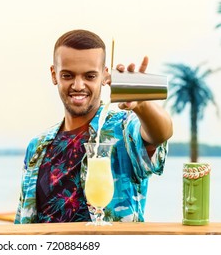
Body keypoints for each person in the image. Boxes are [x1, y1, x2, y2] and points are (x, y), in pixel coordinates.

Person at [14, 29, 173, 224]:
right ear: (54, 75)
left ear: (105, 75)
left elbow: (160, 134)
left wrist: (142, 104)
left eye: (89, 76)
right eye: (67, 76)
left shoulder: (123, 129)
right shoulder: (37, 147)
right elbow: (23, 220)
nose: (78, 85)